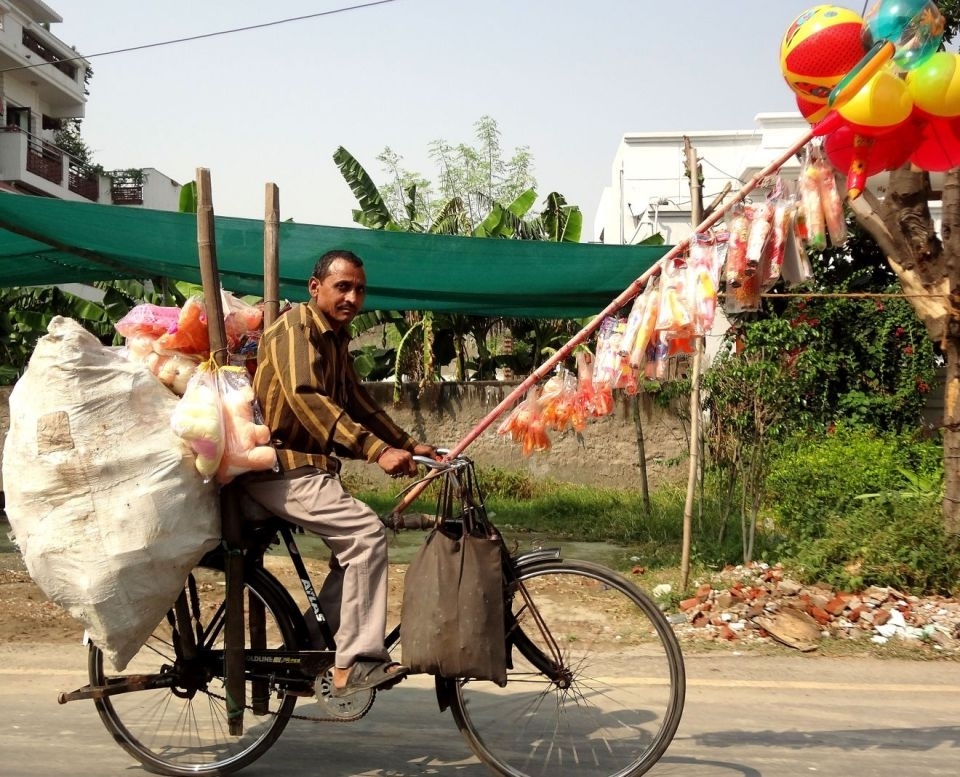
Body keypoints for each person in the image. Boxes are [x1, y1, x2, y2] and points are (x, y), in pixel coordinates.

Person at [242, 248, 436, 697]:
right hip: (281, 468)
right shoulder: (295, 329)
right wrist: (374, 450)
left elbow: (357, 401)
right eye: (342, 286)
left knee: (355, 551)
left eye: (360, 289)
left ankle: (311, 648)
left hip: (309, 472)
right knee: (366, 536)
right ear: (315, 288)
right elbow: (304, 396)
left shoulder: (335, 338)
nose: (353, 297)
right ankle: (358, 661)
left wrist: (406, 444)